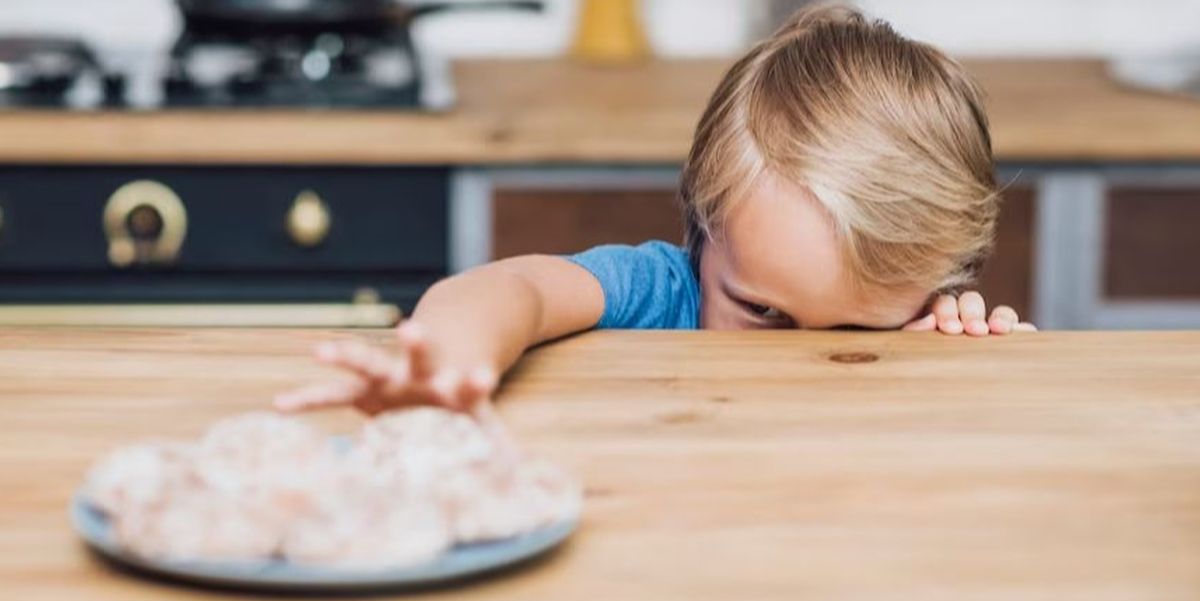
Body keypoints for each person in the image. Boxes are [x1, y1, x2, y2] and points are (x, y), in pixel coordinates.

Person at [275, 3, 1035, 418]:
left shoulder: (925, 323)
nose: (793, 371)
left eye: (853, 334)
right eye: (762, 314)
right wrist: (448, 357)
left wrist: (958, 363)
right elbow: (513, 290)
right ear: (703, 231)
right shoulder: (662, 292)